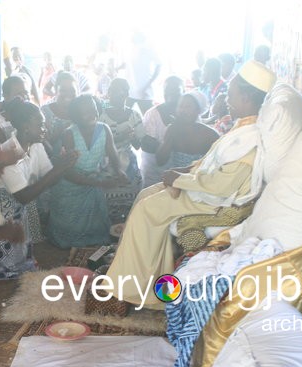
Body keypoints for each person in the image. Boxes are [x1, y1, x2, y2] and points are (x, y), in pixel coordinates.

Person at [106, 60, 276, 308]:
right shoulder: (241, 127)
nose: (226, 99)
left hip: (214, 201)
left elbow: (222, 185)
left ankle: (137, 289)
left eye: (231, 94)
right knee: (145, 195)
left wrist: (180, 179)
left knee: (147, 210)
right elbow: (210, 162)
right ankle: (142, 275)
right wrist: (183, 171)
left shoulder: (251, 137)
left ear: (248, 97)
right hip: (202, 188)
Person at [0, 101, 77, 280]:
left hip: (18, 209)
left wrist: (64, 166)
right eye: (40, 124)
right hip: (1, 211)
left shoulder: (36, 145)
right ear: (25, 127)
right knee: (6, 262)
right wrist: (58, 170)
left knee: (20, 253)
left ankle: (18, 263)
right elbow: (24, 196)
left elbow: (48, 178)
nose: (45, 128)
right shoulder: (8, 152)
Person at [47, 94, 126, 248]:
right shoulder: (69, 134)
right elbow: (68, 172)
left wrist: (118, 170)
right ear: (76, 116)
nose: (92, 114)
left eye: (93, 109)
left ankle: (90, 246)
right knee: (70, 227)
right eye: (86, 112)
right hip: (69, 185)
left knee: (94, 227)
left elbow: (113, 153)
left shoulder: (104, 129)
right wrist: (98, 182)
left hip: (91, 181)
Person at [98, 78, 146, 223]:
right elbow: (98, 145)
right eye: (112, 91)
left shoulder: (134, 115)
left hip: (128, 164)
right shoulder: (101, 115)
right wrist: (121, 138)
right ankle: (110, 231)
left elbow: (139, 145)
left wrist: (131, 138)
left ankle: (125, 231)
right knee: (107, 202)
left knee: (129, 202)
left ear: (126, 94)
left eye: (119, 91)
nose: (113, 94)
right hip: (106, 164)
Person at [155, 91, 219, 168]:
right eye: (180, 106)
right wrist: (171, 132)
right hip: (177, 178)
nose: (182, 110)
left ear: (198, 110)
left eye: (188, 106)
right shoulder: (172, 130)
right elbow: (160, 161)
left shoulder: (209, 134)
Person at [140, 76, 184, 189]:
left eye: (176, 90)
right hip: (155, 173)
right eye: (167, 90)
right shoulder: (152, 114)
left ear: (184, 92)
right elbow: (146, 146)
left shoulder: (188, 115)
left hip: (180, 175)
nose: (171, 94)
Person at [40, 71, 78, 157]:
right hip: (49, 163)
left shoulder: (80, 112)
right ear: (56, 91)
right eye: (63, 90)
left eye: (72, 90)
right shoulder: (44, 112)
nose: (68, 94)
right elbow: (40, 144)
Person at [125, 32, 161, 114]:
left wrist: (147, 85)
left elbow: (159, 65)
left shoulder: (149, 48)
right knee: (124, 116)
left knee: (149, 118)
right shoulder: (131, 49)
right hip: (131, 91)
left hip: (145, 91)